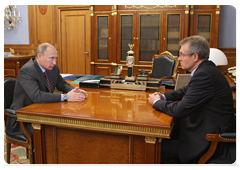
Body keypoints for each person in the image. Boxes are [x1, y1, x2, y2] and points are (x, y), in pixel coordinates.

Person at [148, 35, 238, 165]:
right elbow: (185, 91)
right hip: (205, 126)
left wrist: (157, 103)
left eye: (182, 54)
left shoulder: (204, 75)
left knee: (157, 150)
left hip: (211, 140)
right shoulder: (206, 69)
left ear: (195, 57)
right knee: (165, 136)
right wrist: (163, 96)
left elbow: (180, 110)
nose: (179, 59)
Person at [6, 43, 88, 136]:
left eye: (55, 58)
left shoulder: (53, 68)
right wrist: (65, 97)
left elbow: (62, 84)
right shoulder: (27, 70)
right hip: (22, 119)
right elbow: (37, 96)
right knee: (55, 133)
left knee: (68, 126)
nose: (54, 62)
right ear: (39, 56)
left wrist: (74, 92)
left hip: (43, 112)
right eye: (51, 58)